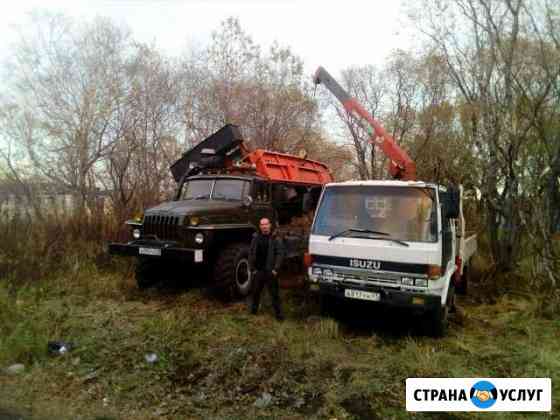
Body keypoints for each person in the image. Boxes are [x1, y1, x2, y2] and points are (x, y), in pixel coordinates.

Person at [248, 217, 285, 321]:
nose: (264, 226)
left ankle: (279, 316)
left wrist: (275, 269)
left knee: (274, 295)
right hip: (258, 271)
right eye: (262, 225)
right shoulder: (255, 238)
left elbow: (280, 254)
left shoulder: (275, 238)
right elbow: (251, 252)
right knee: (255, 293)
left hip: (270, 272)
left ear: (270, 225)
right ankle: (253, 312)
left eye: (266, 224)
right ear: (260, 226)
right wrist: (252, 268)